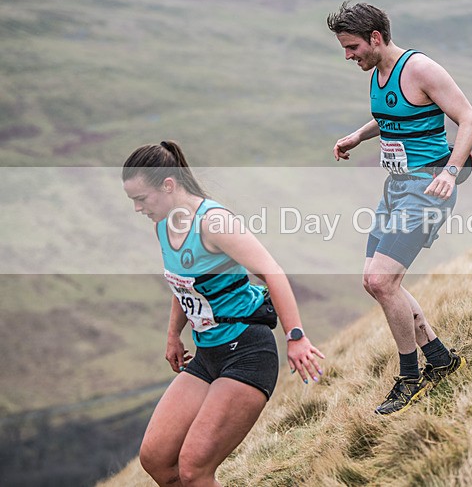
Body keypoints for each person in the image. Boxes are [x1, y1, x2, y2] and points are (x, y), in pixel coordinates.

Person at [122, 141, 324, 486]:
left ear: (168, 185)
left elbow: (272, 271)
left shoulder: (213, 222)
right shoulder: (164, 225)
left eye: (141, 198)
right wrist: (173, 335)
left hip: (246, 352)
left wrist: (296, 336)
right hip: (208, 355)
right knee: (156, 459)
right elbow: (184, 284)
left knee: (194, 468)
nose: (138, 208)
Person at [326, 2, 472, 415]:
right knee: (372, 280)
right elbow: (393, 115)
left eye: (352, 47)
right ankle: (442, 361)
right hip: (397, 188)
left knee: (382, 282)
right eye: (344, 48)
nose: (348, 56)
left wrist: (449, 172)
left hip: (426, 187)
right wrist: (359, 135)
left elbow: (469, 120)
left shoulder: (421, 68)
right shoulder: (377, 73)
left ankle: (410, 378)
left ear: (376, 38)